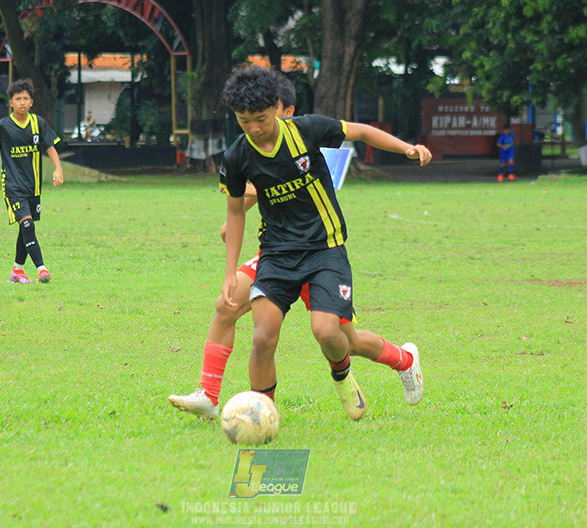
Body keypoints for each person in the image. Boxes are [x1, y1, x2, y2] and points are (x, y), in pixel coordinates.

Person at [170, 72, 424, 419]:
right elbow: (234, 212)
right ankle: (259, 413)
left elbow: (361, 132)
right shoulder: (237, 156)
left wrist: (406, 148)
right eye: (245, 122)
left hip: (324, 249)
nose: (255, 129)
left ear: (278, 109)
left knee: (333, 335)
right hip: (276, 254)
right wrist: (229, 272)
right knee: (261, 337)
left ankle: (367, 369)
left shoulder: (306, 130)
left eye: (261, 119)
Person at [0, 78, 64, 283]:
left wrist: (58, 168)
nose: (22, 102)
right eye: (18, 99)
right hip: (12, 186)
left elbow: (50, 146)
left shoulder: (38, 123)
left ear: (31, 102)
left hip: (33, 186)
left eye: (26, 98)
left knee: (25, 226)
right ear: (11, 103)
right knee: (27, 225)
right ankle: (42, 269)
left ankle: (17, 270)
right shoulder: (3, 126)